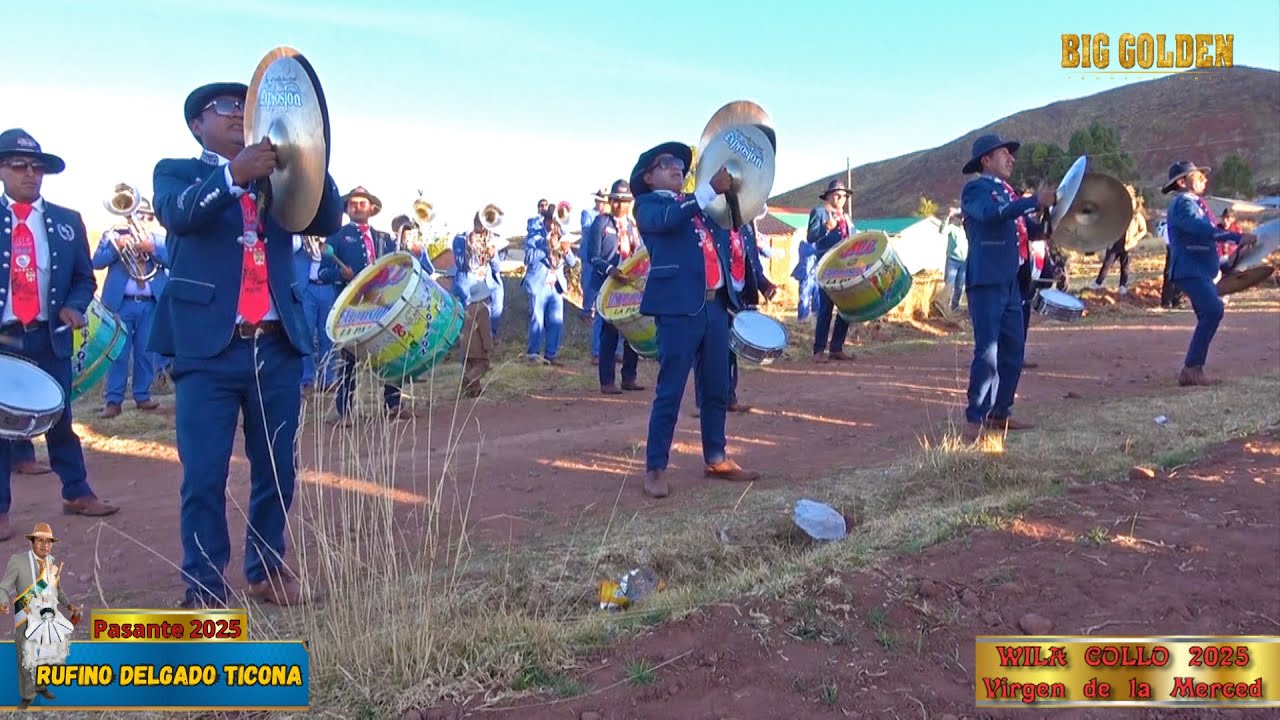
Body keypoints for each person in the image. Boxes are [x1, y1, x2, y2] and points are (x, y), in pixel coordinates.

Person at [150, 82, 342, 607]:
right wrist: (235, 175)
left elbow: (327, 219)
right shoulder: (177, 171)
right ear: (197, 124)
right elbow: (178, 213)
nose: (239, 114)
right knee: (204, 474)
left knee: (277, 468)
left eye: (246, 107)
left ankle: (266, 569)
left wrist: (311, 153)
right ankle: (206, 586)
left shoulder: (283, 174)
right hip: (207, 351)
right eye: (226, 108)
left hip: (276, 344)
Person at [0, 129, 119, 540]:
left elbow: (86, 279)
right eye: (19, 166)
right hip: (3, 341)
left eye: (37, 168)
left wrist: (74, 304)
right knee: (0, 428)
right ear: (1, 170)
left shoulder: (68, 223)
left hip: (49, 336)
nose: (30, 174)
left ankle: (77, 493)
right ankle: (0, 511)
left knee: (61, 419)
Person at [632, 141, 759, 499]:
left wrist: (734, 194)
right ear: (648, 176)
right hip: (677, 310)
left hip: (714, 307)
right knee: (670, 390)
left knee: (717, 386)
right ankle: (655, 467)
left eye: (680, 164)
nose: (677, 168)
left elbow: (730, 228)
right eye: (666, 163)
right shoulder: (648, 206)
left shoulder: (700, 206)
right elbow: (671, 218)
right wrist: (707, 191)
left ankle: (716, 456)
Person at [958, 134, 1056, 441]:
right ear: (986, 160)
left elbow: (1028, 229)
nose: (1011, 159)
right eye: (1004, 154)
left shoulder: (1009, 194)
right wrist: (1030, 201)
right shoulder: (975, 190)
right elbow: (990, 215)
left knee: (1013, 351)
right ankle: (975, 418)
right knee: (987, 351)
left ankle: (1000, 412)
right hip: (986, 280)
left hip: (1012, 282)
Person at [1162, 161, 1256, 386]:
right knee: (1213, 310)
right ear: (1182, 182)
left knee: (1210, 313)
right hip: (1189, 270)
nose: (1205, 179)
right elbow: (1202, 230)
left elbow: (1204, 243)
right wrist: (1236, 237)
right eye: (1198, 176)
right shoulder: (1183, 205)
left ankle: (1193, 368)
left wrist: (1227, 262)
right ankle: (1191, 368)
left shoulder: (1196, 205)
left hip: (1198, 270)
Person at [327, 187, 410, 422]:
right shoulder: (337, 236)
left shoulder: (384, 238)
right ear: (346, 209)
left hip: (383, 307)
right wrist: (340, 274)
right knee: (348, 361)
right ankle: (344, 411)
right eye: (353, 204)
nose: (358, 207)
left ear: (372, 209)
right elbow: (323, 272)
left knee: (390, 353)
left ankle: (393, 404)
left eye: (363, 203)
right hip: (352, 311)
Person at [93, 191, 170, 418]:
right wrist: (117, 245)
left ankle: (142, 396)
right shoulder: (113, 236)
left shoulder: (159, 239)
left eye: (147, 216)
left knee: (146, 351)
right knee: (118, 353)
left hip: (150, 303)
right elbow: (96, 262)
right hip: (120, 304)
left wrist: (152, 249)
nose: (142, 220)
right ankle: (113, 400)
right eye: (139, 215)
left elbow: (174, 258)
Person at [693, 206, 776, 416]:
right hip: (717, 293)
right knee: (707, 350)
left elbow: (752, 261)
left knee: (732, 349)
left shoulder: (746, 226)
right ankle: (705, 401)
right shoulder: (712, 221)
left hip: (740, 294)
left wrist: (764, 285)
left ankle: (729, 396)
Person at [0, 523, 83, 709]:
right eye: (40, 541)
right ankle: (27, 696)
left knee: (47, 655)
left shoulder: (51, 564)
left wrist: (68, 604)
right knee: (25, 658)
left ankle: (41, 686)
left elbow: (57, 589)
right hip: (25, 617)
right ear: (32, 542)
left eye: (49, 542)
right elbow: (4, 587)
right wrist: (2, 601)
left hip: (47, 617)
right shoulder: (18, 561)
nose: (45, 545)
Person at [589, 180, 645, 394]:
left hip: (629, 287)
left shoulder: (632, 227)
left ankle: (629, 377)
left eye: (624, 201)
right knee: (609, 334)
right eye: (617, 201)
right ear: (610, 201)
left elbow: (637, 254)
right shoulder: (601, 223)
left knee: (632, 332)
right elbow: (592, 256)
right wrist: (610, 269)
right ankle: (607, 381)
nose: (620, 205)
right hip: (608, 286)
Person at [452, 209, 504, 396]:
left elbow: (497, 268)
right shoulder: (461, 239)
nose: (482, 232)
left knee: (469, 356)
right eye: (480, 227)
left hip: (484, 287)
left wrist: (493, 254)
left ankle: (473, 389)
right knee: (479, 355)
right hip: (469, 292)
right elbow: (460, 264)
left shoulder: (492, 240)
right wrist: (468, 247)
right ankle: (470, 381)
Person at [807, 179, 856, 362]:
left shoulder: (846, 217)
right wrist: (825, 229)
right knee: (826, 308)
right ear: (828, 196)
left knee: (846, 308)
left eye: (844, 195)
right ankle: (818, 350)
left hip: (846, 268)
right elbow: (811, 237)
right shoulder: (819, 213)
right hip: (827, 268)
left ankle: (837, 347)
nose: (841, 198)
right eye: (837, 194)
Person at [522, 203, 577, 365]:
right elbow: (529, 258)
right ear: (546, 221)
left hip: (556, 285)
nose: (555, 225)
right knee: (537, 320)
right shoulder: (535, 236)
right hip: (539, 284)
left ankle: (551, 354)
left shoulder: (562, 235)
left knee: (556, 320)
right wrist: (547, 247)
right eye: (553, 222)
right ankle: (533, 354)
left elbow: (572, 262)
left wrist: (566, 250)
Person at [290, 234, 341, 393]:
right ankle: (307, 379)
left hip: (327, 288)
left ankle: (328, 378)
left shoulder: (333, 238)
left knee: (327, 335)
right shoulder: (300, 239)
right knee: (306, 334)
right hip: (307, 289)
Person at [941, 208, 968, 311]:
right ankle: (944, 307)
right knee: (949, 284)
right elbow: (942, 231)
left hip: (964, 261)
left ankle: (954, 308)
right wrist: (947, 217)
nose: (961, 220)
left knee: (960, 287)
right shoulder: (952, 228)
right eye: (959, 217)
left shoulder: (968, 229)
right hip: (952, 260)